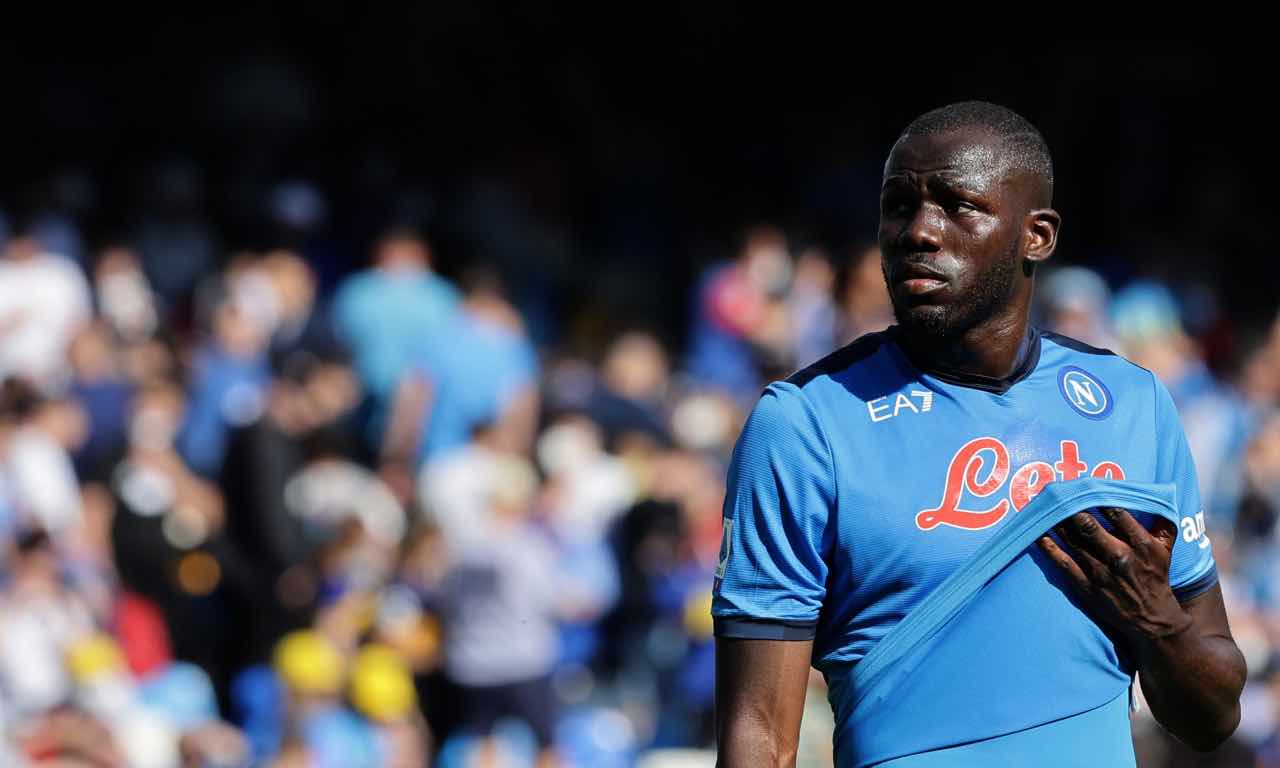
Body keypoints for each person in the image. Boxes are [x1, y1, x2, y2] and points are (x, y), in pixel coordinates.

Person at [712, 102, 1246, 767]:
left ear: (1037, 236)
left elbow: (1215, 719)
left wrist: (1156, 622)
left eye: (957, 206)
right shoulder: (805, 425)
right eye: (899, 206)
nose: (919, 231)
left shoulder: (1133, 404)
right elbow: (757, 737)